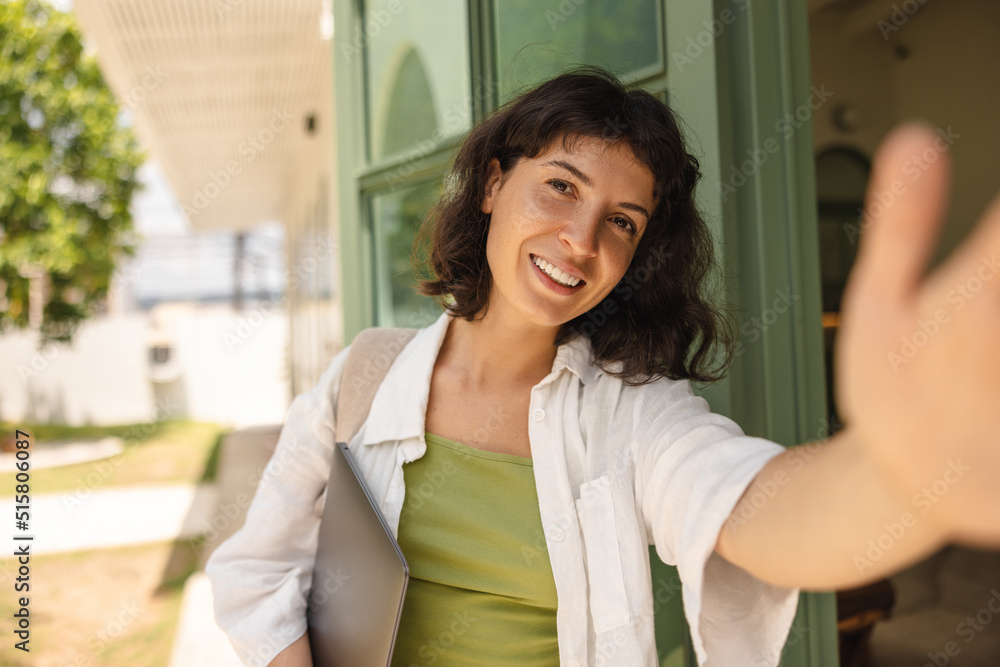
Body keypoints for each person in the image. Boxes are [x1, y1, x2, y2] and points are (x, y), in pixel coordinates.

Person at [205, 65, 1000, 667]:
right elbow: (255, 568)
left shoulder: (634, 411)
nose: (582, 240)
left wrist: (895, 475)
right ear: (491, 183)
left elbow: (748, 508)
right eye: (559, 187)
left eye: (621, 221)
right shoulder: (365, 376)